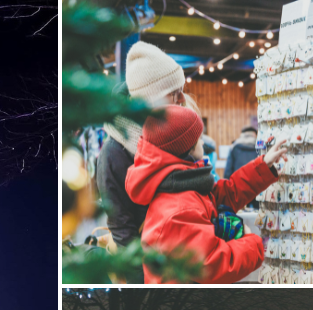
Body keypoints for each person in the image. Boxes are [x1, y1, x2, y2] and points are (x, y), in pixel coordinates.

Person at [125, 105, 288, 284]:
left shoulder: (181, 183)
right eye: (199, 138)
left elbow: (223, 195)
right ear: (187, 148)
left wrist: (263, 166)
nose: (203, 142)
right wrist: (252, 243)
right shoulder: (179, 210)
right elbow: (213, 264)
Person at [96, 42, 187, 284]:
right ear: (151, 98)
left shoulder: (170, 136)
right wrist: (141, 285)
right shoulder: (114, 152)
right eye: (174, 92)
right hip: (145, 270)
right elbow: (122, 227)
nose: (181, 100)